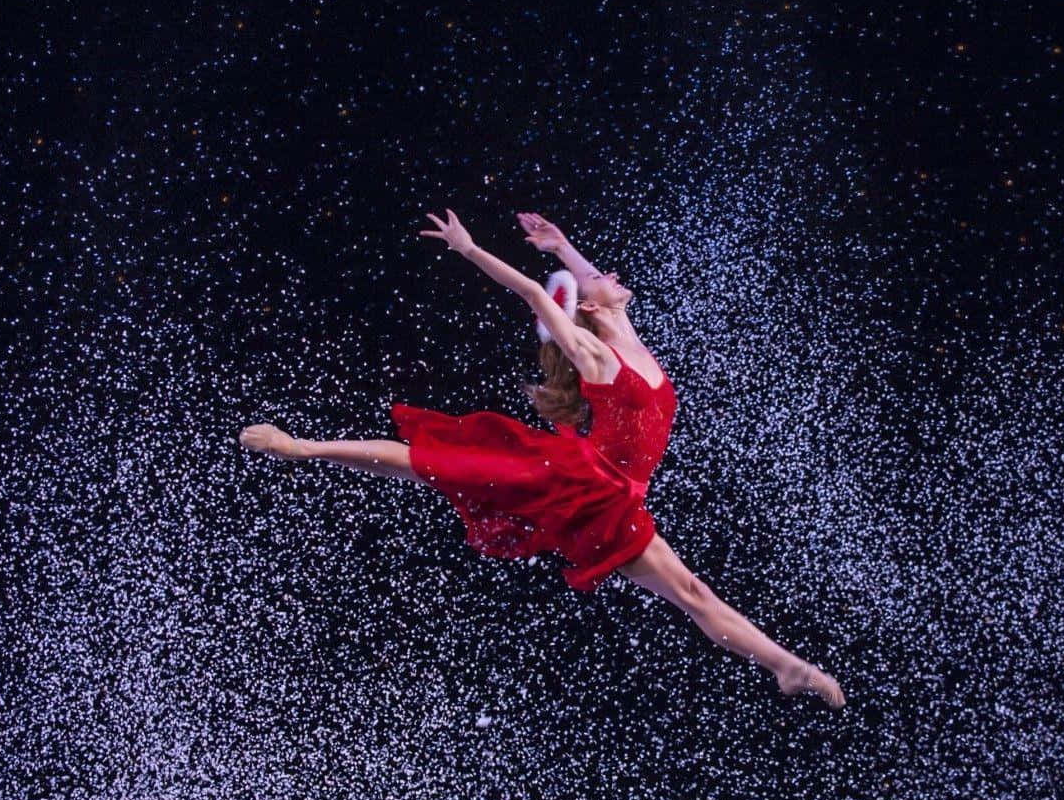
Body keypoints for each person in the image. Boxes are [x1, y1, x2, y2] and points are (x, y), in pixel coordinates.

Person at [240, 209, 845, 708]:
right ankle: (302, 447)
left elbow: (593, 285)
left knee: (692, 591)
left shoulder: (624, 332)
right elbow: (534, 292)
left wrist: (562, 248)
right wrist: (469, 248)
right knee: (434, 460)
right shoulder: (595, 352)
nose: (607, 275)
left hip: (621, 492)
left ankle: (784, 666)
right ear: (587, 311)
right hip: (586, 484)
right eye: (599, 280)